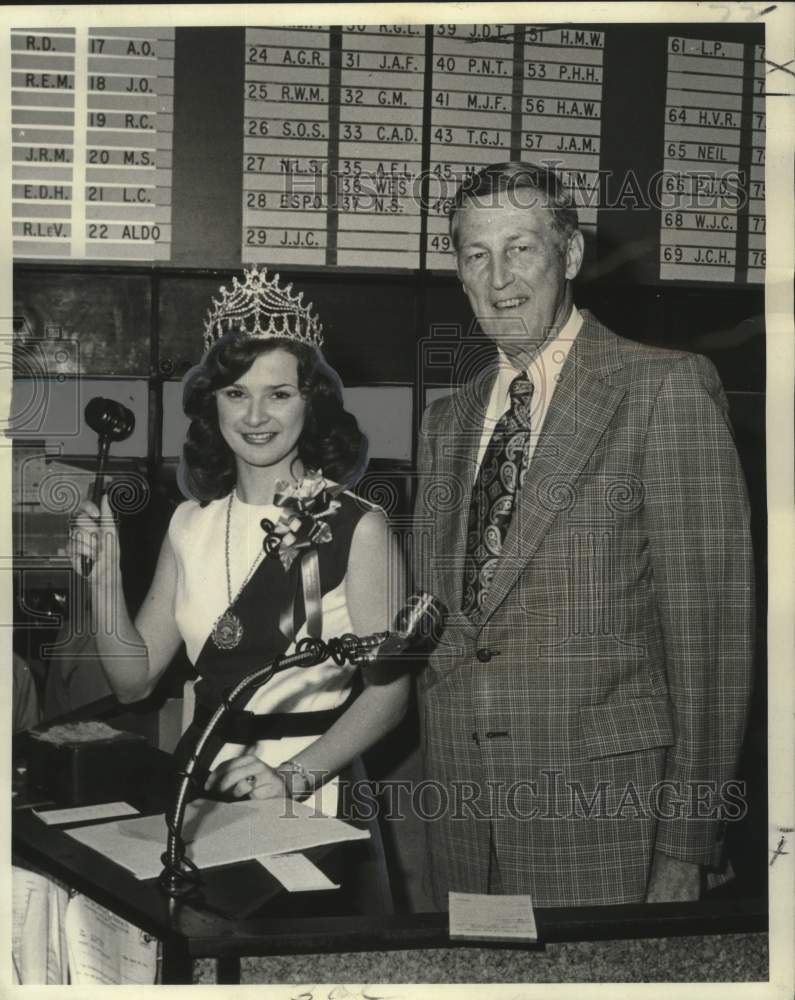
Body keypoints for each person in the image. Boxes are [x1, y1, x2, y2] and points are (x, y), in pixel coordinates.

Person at [412, 161, 755, 908]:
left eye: (520, 248)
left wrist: (685, 847)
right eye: (476, 255)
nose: (499, 277)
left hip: (608, 821)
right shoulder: (445, 421)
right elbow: (444, 632)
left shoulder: (662, 388)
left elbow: (713, 641)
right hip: (463, 825)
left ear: (567, 256)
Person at [70, 266, 408, 813]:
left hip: (309, 787)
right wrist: (104, 579)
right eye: (235, 392)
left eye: (278, 393)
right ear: (214, 403)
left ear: (310, 401)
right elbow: (133, 684)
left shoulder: (358, 527)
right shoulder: (188, 524)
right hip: (198, 782)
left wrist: (294, 777)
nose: (255, 416)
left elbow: (390, 695)